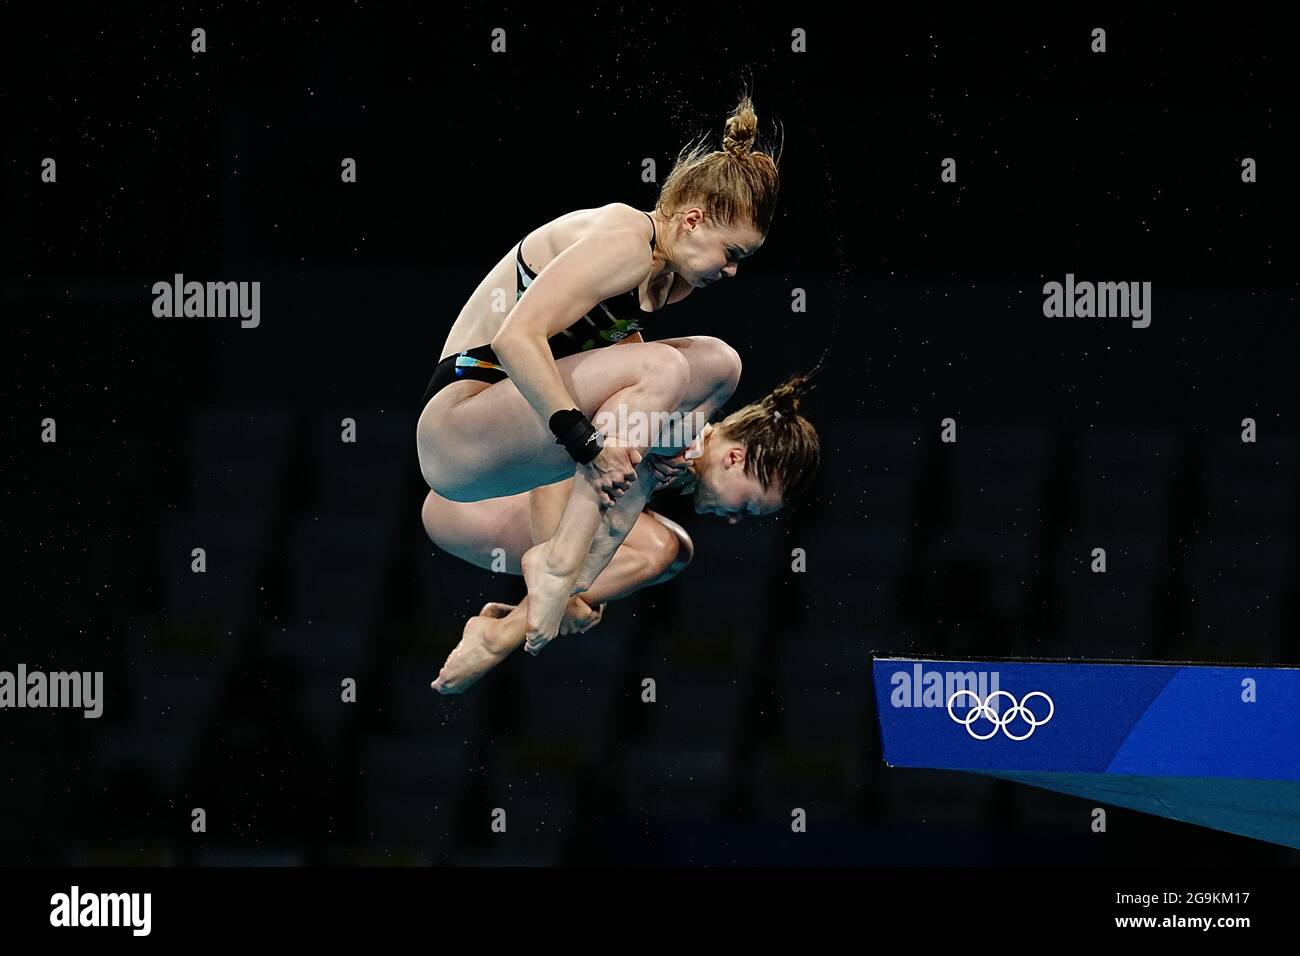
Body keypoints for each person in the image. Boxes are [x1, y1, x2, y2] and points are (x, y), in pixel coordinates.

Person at [416, 92, 782, 646]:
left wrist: (670, 437)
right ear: (693, 218)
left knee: (718, 366)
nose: (732, 272)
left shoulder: (665, 282)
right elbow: (517, 338)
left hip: (509, 434)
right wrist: (585, 440)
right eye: (732, 253)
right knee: (663, 368)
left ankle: (579, 570)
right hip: (459, 428)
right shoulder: (625, 241)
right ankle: (559, 564)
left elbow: (615, 375)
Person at [423, 369, 821, 694]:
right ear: (735, 457)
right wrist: (560, 589)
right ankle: (501, 635)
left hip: (476, 487)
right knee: (662, 550)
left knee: (667, 553)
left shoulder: (681, 456)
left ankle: (524, 617)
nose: (736, 518)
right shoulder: (676, 432)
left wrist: (576, 588)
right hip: (468, 498)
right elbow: (552, 482)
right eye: (748, 505)